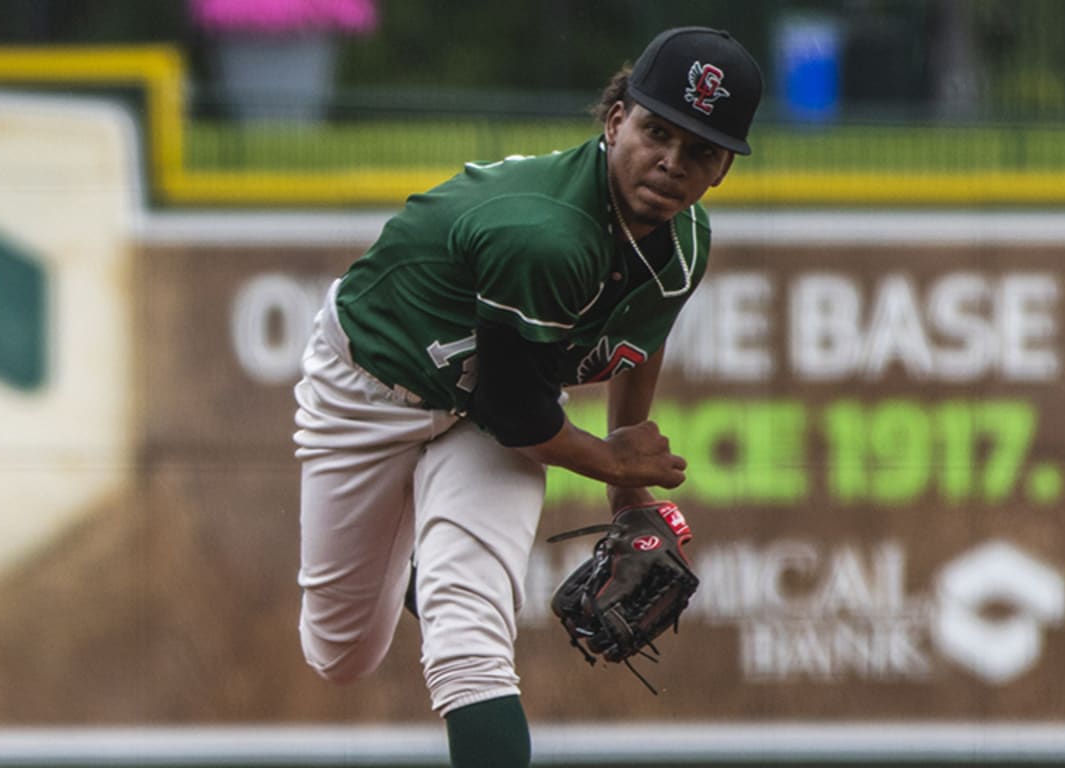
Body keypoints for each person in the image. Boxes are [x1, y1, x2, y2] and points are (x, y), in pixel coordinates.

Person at [291, 26, 763, 768]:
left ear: (723, 169)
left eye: (701, 149)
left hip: (489, 413)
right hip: (374, 387)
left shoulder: (686, 237)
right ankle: (415, 571)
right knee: (342, 652)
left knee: (470, 642)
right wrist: (616, 466)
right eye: (656, 130)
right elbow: (523, 417)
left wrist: (630, 498)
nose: (672, 162)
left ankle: (448, 585)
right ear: (615, 121)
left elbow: (636, 336)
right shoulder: (548, 234)